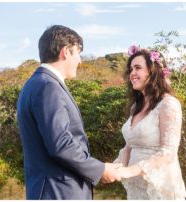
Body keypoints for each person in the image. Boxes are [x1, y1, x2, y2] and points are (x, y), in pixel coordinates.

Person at [17, 25, 122, 200]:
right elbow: (61, 145)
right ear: (66, 51)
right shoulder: (48, 86)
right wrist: (100, 169)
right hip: (59, 191)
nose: (80, 61)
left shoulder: (34, 83)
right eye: (78, 53)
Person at [113, 45, 186, 199]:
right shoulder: (136, 106)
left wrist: (130, 170)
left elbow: (168, 153)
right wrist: (112, 169)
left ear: (153, 72)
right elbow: (129, 147)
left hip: (158, 187)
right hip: (135, 187)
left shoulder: (168, 104)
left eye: (138, 68)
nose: (132, 73)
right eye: (131, 69)